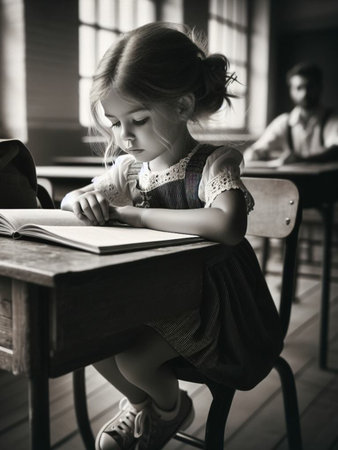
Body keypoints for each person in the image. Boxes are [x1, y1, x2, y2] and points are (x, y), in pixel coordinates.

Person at [61, 22, 283, 450]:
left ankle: (169, 409)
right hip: (157, 296)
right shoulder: (129, 169)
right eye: (115, 123)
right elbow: (78, 197)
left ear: (182, 106)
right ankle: (143, 403)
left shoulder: (213, 164)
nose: (124, 137)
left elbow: (228, 225)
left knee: (131, 356)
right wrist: (78, 200)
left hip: (216, 310)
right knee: (88, 342)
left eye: (138, 120)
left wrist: (139, 218)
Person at [244, 62, 338, 165]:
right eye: (299, 88)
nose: (304, 93)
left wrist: (301, 160)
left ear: (320, 87)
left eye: (310, 87)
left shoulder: (333, 119)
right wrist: (259, 154)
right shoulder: (284, 122)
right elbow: (253, 152)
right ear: (291, 91)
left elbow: (335, 151)